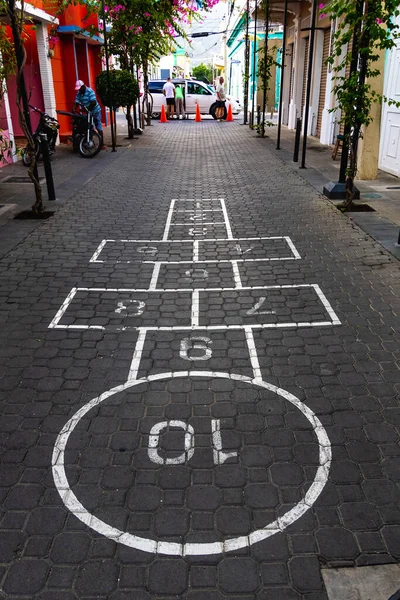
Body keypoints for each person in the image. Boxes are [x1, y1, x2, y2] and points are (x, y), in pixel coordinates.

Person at [73, 80, 104, 147]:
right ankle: (91, 142)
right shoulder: (79, 93)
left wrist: (85, 109)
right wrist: (74, 108)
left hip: (95, 111)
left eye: (80, 88)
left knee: (98, 126)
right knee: (89, 127)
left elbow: (93, 102)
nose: (79, 90)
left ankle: (102, 144)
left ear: (83, 86)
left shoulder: (90, 91)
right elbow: (77, 102)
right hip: (88, 113)